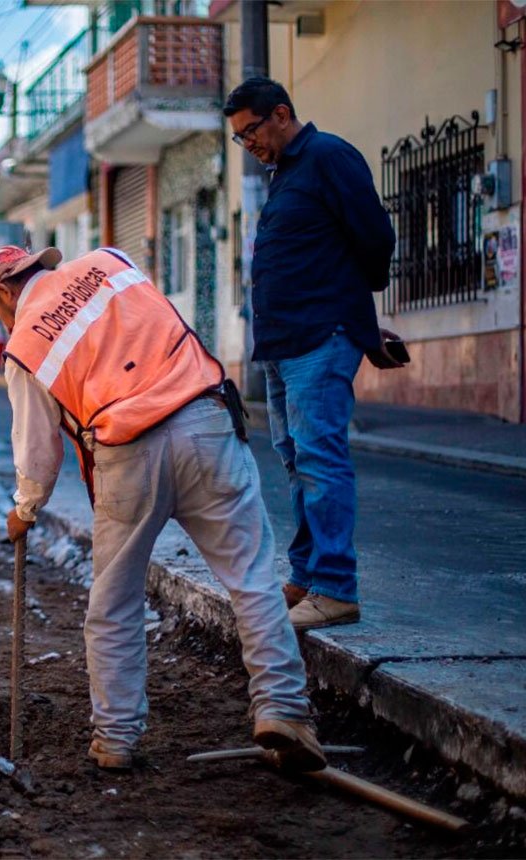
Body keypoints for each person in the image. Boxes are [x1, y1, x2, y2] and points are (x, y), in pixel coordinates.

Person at [0, 244, 324, 774]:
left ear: (1, 291)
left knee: (113, 603)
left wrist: (25, 508)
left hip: (128, 452)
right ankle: (283, 708)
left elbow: (36, 450)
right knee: (251, 579)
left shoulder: (25, 345)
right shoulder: (111, 263)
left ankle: (115, 738)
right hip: (205, 420)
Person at [224, 77, 403, 631]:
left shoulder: (328, 156)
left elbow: (374, 237)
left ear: (280, 114)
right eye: (238, 138)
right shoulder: (284, 176)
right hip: (283, 343)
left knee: (321, 461)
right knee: (297, 461)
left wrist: (353, 312)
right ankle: (306, 576)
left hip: (320, 336)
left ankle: (335, 588)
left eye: (250, 130)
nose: (247, 144)